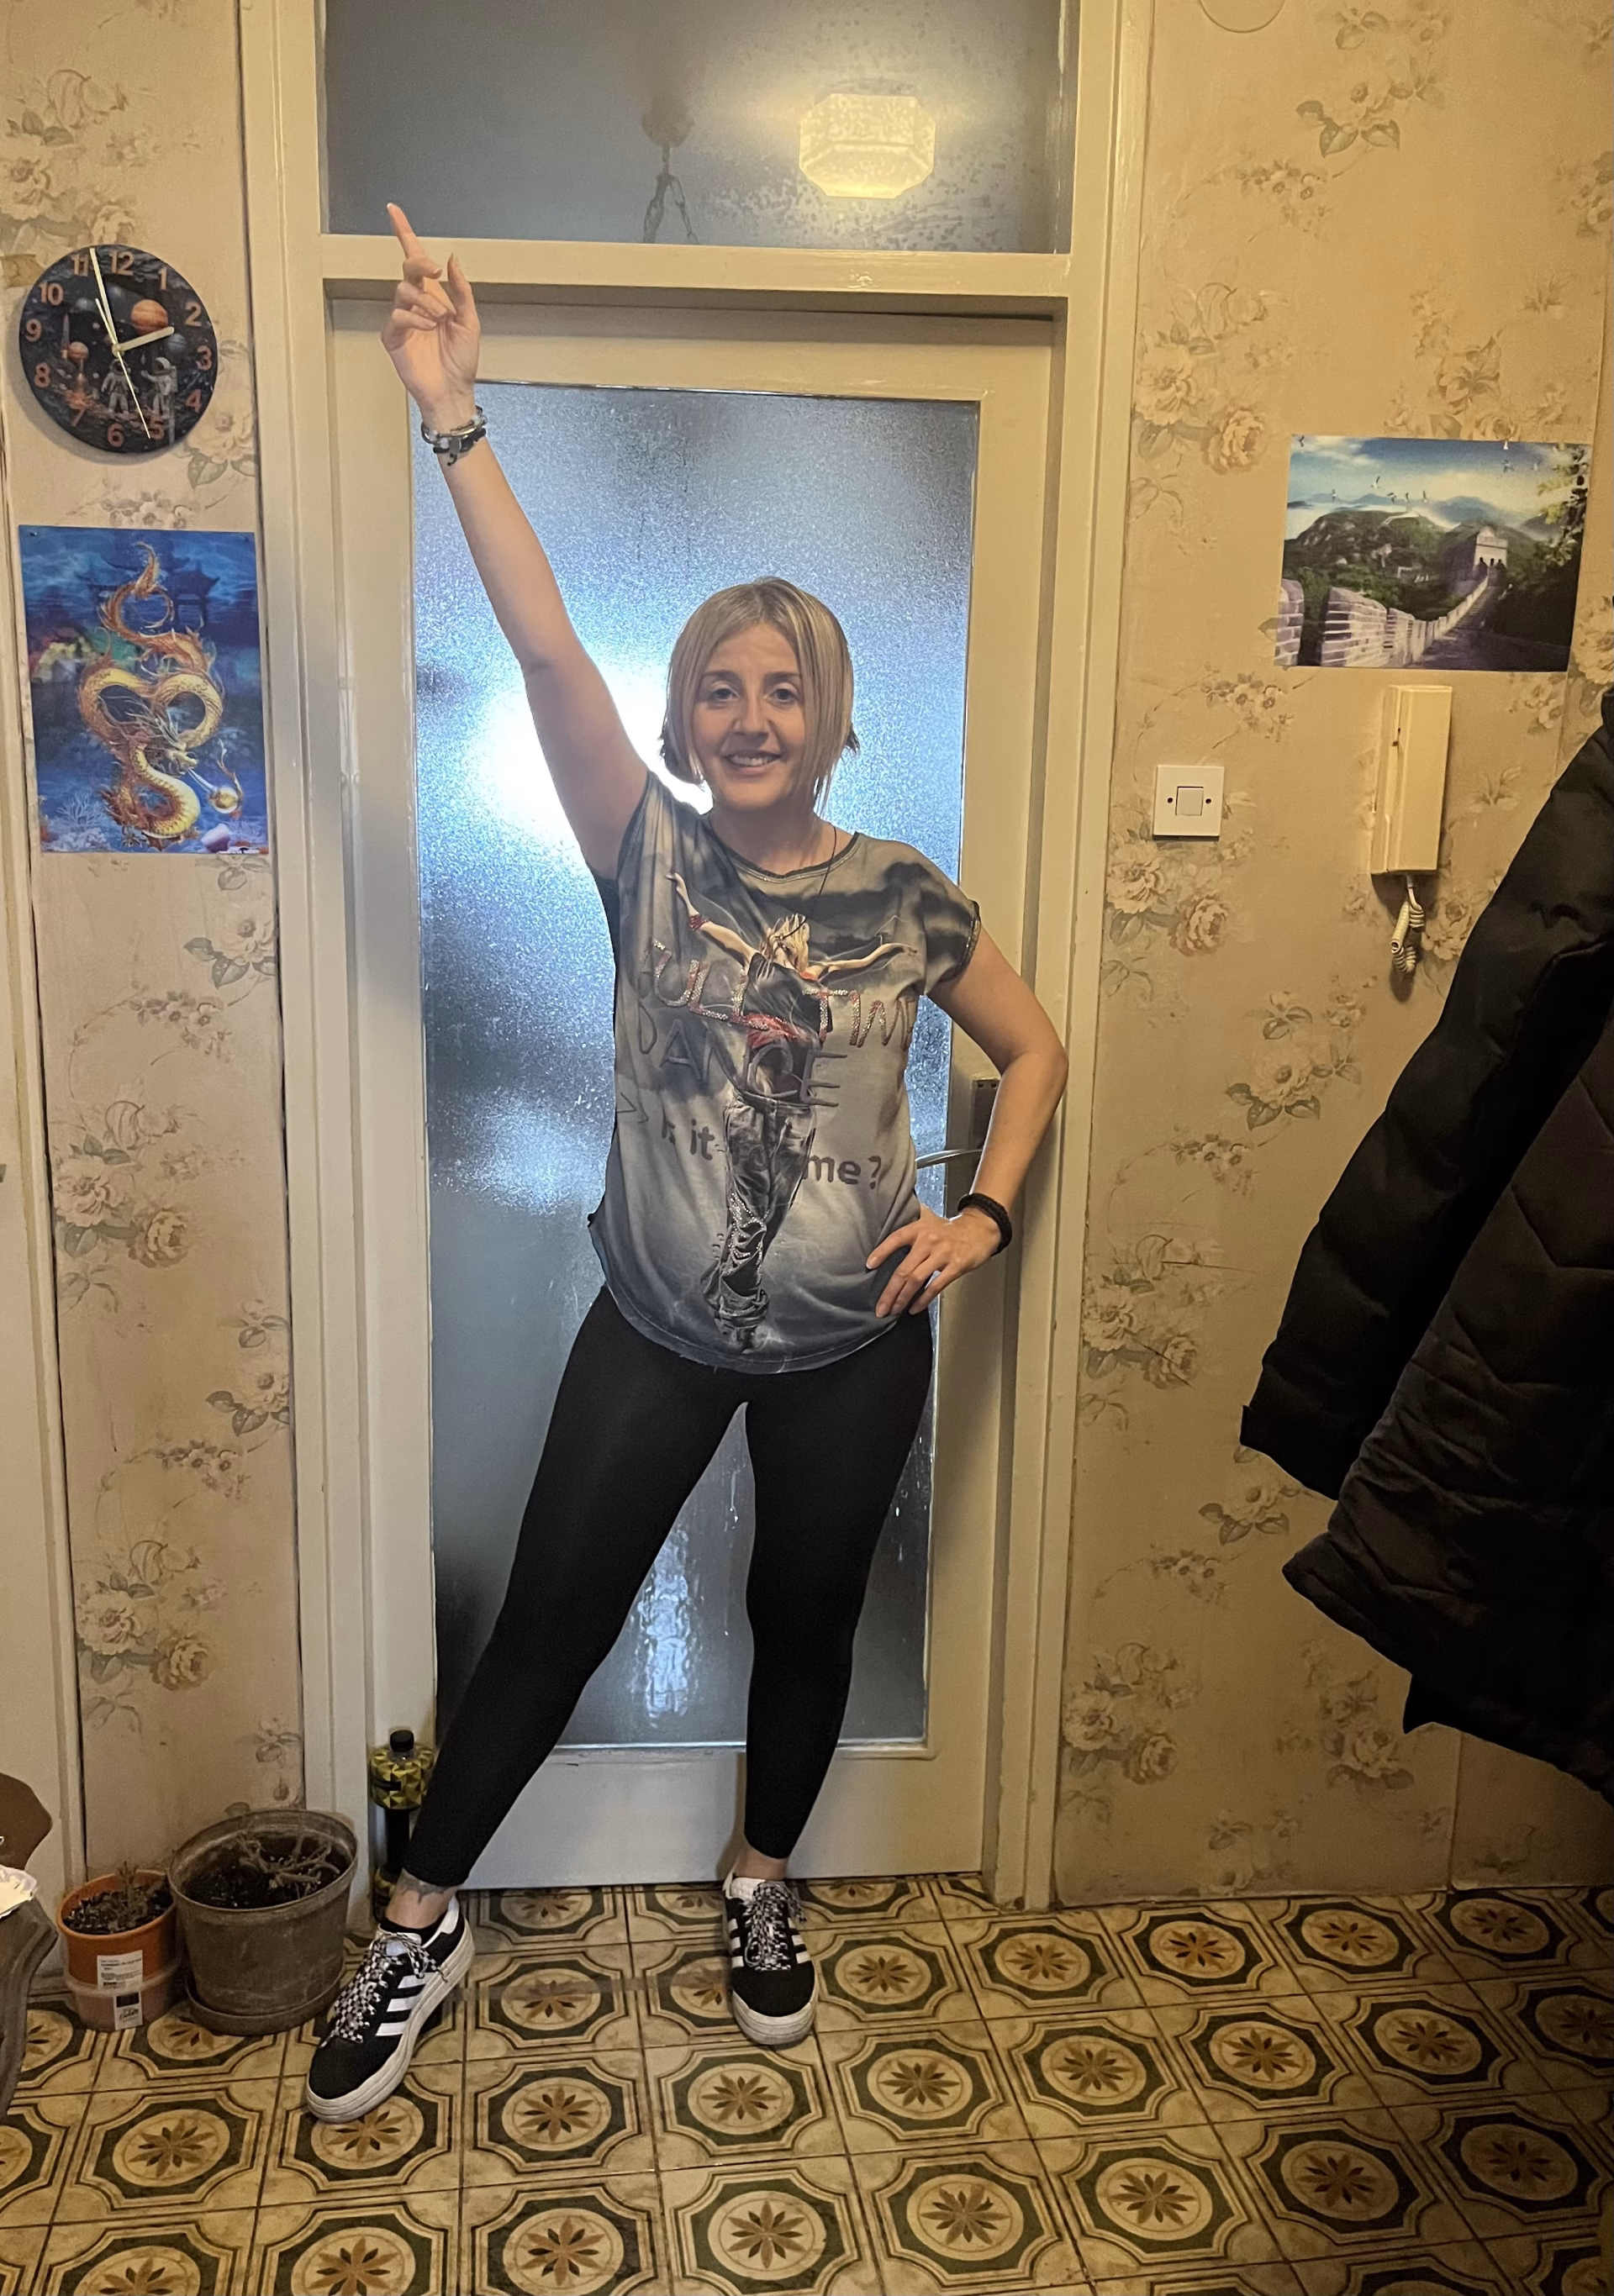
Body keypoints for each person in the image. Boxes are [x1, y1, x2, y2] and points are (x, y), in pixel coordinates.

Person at [305, 207, 1069, 2125]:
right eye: (720, 689)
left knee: (800, 1622)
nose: (750, 718)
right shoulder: (643, 854)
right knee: (554, 1615)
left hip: (853, 1342)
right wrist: (451, 414)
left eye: (783, 689)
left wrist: (982, 1212)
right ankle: (420, 1914)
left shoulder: (906, 893)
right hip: (653, 1322)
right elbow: (542, 643)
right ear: (683, 719)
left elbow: (1040, 1048)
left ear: (832, 718)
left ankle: (758, 1875)